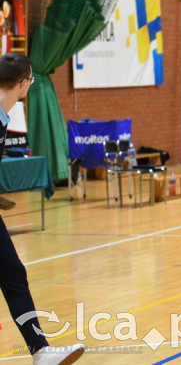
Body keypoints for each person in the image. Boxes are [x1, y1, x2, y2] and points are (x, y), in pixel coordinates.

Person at [0, 53, 86, 364]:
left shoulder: (3, 115)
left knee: (13, 273)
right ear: (22, 84)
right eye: (32, 80)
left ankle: (42, 351)